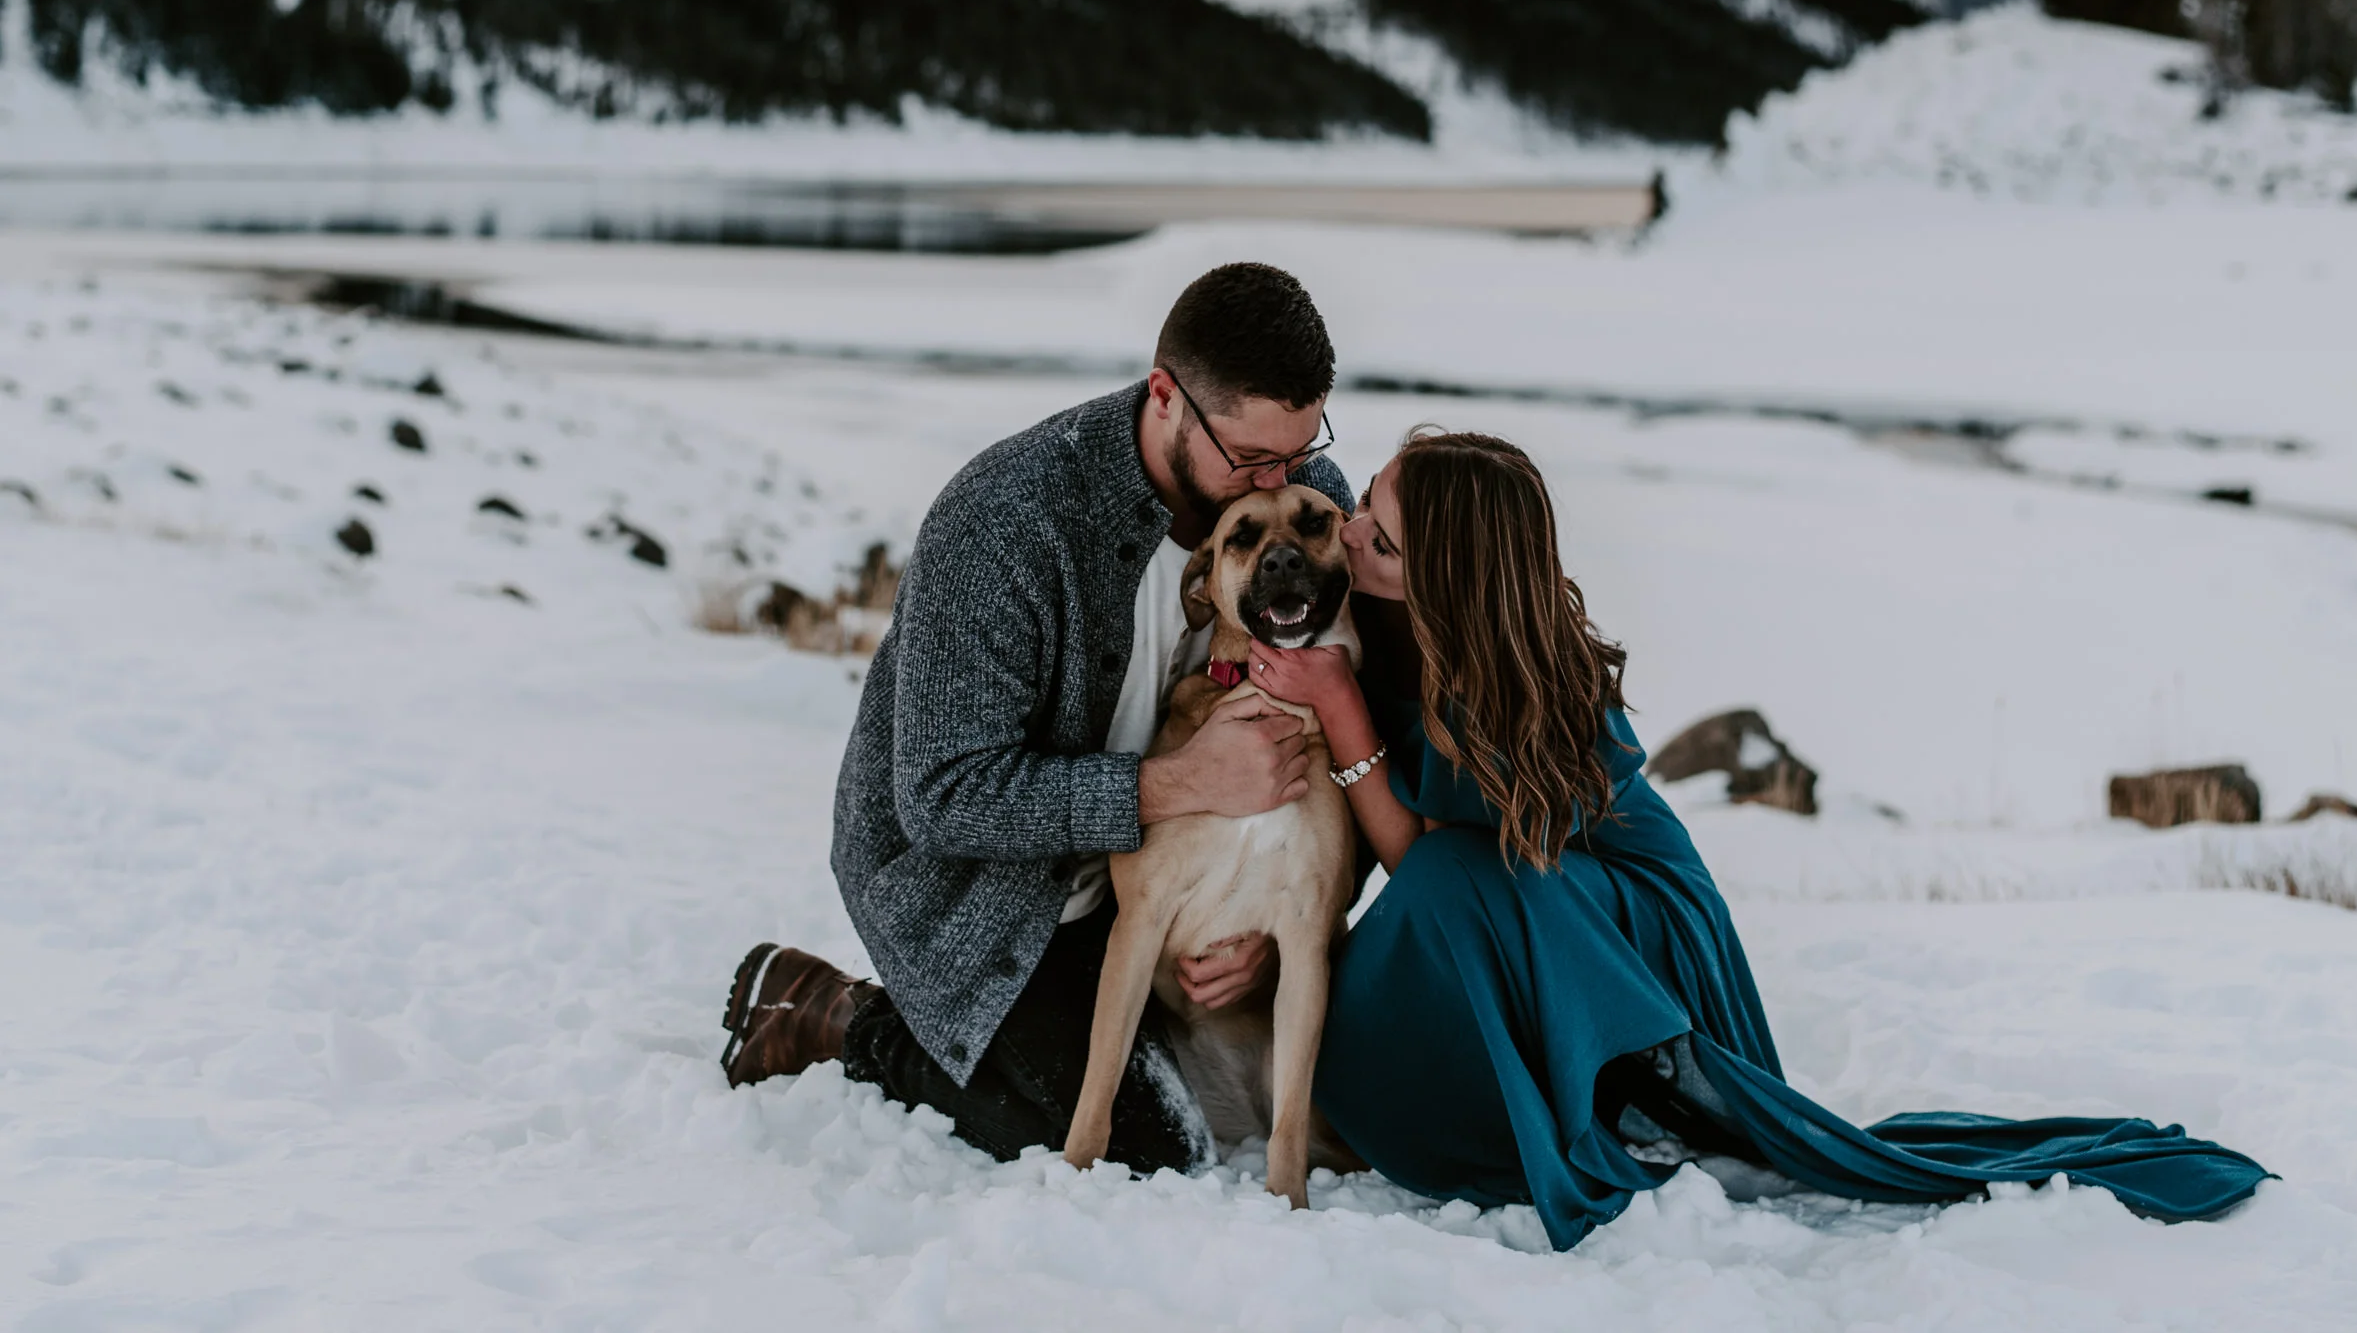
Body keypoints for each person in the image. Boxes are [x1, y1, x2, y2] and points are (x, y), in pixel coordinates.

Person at [1243, 430, 2271, 1252]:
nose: (1353, 537)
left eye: (1377, 533)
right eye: (1365, 507)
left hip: (1628, 913)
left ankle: (1631, 1101)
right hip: (1518, 903)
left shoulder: (1514, 677)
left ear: (1449, 576)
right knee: (1453, 898)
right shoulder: (1384, 606)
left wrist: (1338, 704)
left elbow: (1422, 861)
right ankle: (1460, 1100)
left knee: (1455, 879)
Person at [716, 262, 1355, 1176]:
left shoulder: (1300, 497)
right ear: (1166, 396)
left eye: (1300, 449)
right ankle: (840, 1017)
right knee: (1146, 1148)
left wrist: (1264, 926)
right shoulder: (1007, 519)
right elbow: (942, 797)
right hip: (980, 898)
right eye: (1252, 459)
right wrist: (1177, 784)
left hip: (1168, 888)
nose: (1282, 478)